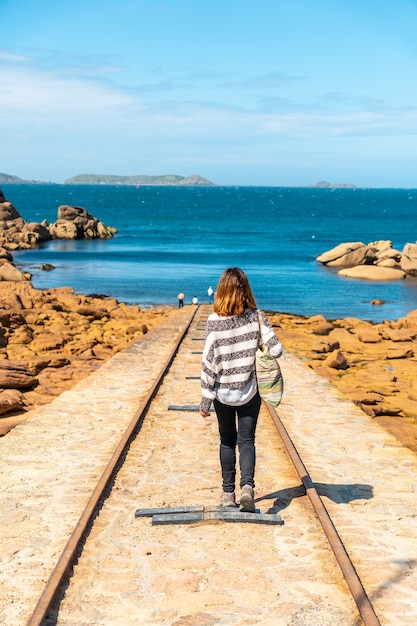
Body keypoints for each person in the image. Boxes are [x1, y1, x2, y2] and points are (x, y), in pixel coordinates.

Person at [200, 267, 282, 512]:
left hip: (223, 395)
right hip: (249, 392)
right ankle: (247, 489)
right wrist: (257, 346)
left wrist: (205, 400)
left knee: (227, 442)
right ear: (246, 290)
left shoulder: (214, 322)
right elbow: (276, 350)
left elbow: (208, 362)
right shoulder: (256, 317)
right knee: (247, 441)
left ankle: (228, 494)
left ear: (221, 291)